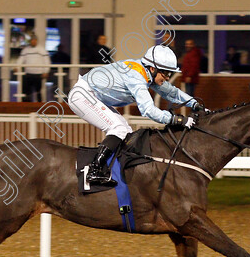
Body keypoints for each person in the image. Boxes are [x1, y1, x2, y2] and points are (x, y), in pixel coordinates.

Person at [67, 45, 202, 186]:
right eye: (166, 73)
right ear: (152, 69)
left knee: (126, 131)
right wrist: (177, 119)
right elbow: (148, 111)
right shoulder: (137, 76)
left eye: (169, 74)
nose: (168, 78)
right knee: (118, 128)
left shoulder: (148, 72)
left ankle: (113, 169)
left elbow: (171, 92)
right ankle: (94, 171)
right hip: (82, 95)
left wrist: (194, 103)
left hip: (92, 95)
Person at [15, 34, 50, 102]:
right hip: (28, 73)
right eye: (32, 40)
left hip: (38, 74)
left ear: (36, 41)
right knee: (26, 92)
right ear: (30, 41)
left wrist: (46, 71)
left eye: (34, 40)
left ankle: (40, 107)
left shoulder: (42, 50)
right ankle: (26, 107)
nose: (33, 42)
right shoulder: (25, 50)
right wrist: (17, 67)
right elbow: (21, 59)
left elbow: (47, 61)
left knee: (38, 92)